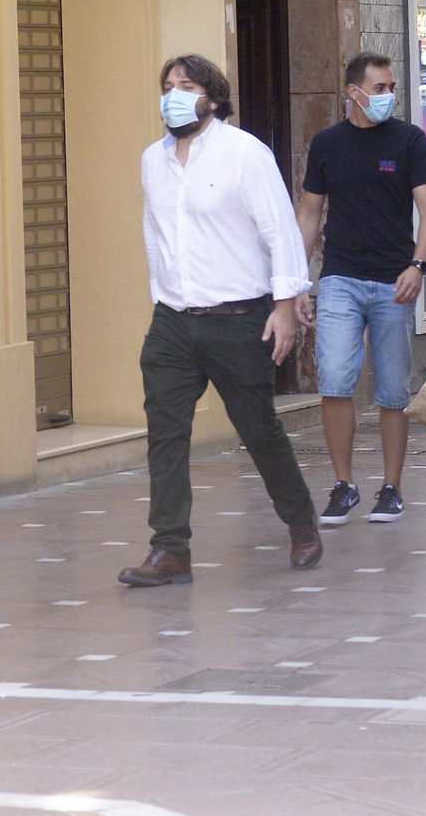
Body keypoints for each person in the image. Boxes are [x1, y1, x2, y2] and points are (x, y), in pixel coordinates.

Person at [121, 54, 322, 586]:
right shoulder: (152, 160)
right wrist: (160, 298)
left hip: (239, 319)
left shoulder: (244, 153)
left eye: (185, 85)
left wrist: (285, 307)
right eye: (167, 86)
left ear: (212, 96)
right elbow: (154, 233)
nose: (173, 95)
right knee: (165, 433)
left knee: (258, 429)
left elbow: (280, 231)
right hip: (172, 321)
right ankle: (170, 550)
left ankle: (301, 523)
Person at [295, 53, 426, 525]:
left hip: (394, 281)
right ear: (353, 92)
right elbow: (310, 213)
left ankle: (392, 487)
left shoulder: (409, 140)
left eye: (391, 87)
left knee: (393, 390)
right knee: (335, 377)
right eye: (379, 88)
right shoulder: (327, 144)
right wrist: (297, 280)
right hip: (339, 277)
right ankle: (344, 484)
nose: (388, 96)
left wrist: (419, 265)